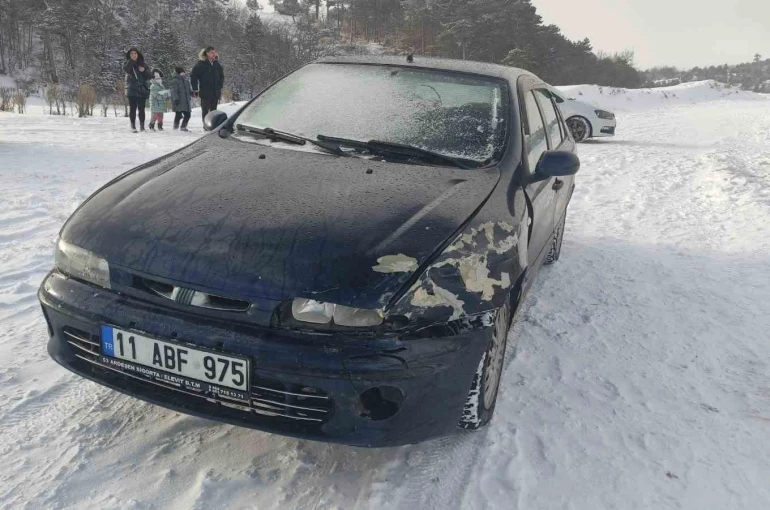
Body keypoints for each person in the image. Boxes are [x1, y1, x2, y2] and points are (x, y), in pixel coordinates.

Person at [190, 46, 224, 122]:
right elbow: (193, 76)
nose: (214, 54)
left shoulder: (217, 64)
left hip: (215, 92)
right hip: (205, 92)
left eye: (214, 52)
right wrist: (195, 88)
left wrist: (220, 85)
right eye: (212, 52)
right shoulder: (201, 64)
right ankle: (205, 126)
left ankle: (212, 126)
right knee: (205, 111)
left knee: (214, 111)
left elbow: (221, 76)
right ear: (207, 53)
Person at [123, 47, 152, 133]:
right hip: (132, 89)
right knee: (132, 109)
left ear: (138, 54)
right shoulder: (127, 63)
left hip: (142, 89)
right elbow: (126, 69)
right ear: (129, 55)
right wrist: (131, 61)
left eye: (135, 53)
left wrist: (144, 71)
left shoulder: (143, 64)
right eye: (131, 53)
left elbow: (150, 76)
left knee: (141, 109)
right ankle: (133, 126)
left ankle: (142, 126)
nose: (133, 55)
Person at [170, 66, 192, 131]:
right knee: (178, 115)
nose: (183, 74)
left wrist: (192, 94)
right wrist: (176, 99)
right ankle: (175, 127)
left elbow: (188, 90)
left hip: (186, 101)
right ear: (177, 73)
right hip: (178, 101)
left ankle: (183, 127)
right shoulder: (175, 81)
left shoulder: (186, 81)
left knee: (188, 115)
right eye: (181, 73)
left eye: (183, 72)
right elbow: (174, 91)